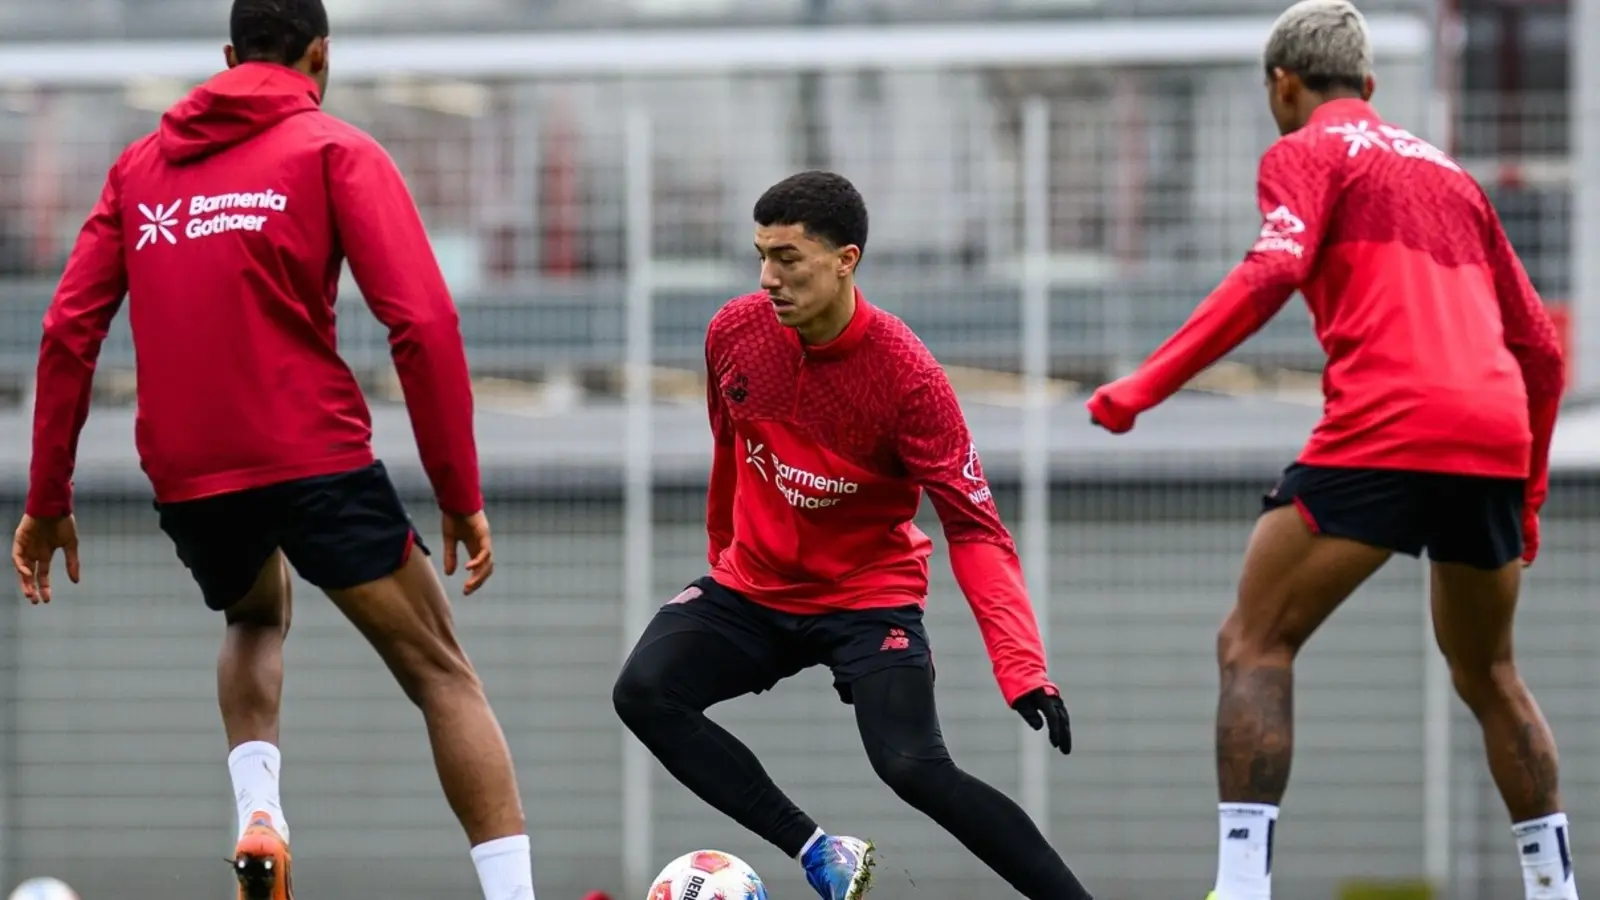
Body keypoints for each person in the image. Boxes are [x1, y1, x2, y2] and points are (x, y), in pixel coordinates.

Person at [10, 2, 537, 899]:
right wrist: (458, 489)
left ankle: (261, 813)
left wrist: (47, 498)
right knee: (442, 674)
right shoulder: (333, 149)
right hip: (314, 452)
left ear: (226, 56)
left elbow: (68, 330)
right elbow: (421, 320)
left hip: (188, 469)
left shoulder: (140, 169)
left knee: (254, 617)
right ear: (320, 54)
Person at [1085, 3, 1574, 899]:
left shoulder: (1302, 151)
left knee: (1254, 641)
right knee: (1490, 672)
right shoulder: (1452, 177)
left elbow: (1272, 269)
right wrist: (1530, 493)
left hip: (1389, 422)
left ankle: (1240, 886)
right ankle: (1552, 887)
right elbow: (1540, 345)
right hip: (1493, 435)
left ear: (1283, 84)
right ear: (1372, 88)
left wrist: (1143, 384)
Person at [611, 169, 1094, 900]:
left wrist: (1022, 667)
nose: (768, 278)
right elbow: (726, 450)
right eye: (761, 256)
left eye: (789, 259)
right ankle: (816, 850)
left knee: (912, 767)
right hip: (754, 586)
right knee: (643, 692)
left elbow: (976, 531)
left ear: (846, 260)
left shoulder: (910, 381)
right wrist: (723, 560)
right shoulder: (734, 332)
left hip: (866, 602)